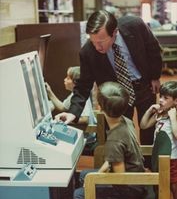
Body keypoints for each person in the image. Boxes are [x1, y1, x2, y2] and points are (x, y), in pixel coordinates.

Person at [55, 10, 162, 145]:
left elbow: (153, 48)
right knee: (121, 134)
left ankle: (148, 163)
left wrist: (155, 76)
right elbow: (83, 86)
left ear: (115, 32)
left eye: (101, 42)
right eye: (93, 41)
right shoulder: (87, 52)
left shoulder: (135, 25)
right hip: (117, 96)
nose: (97, 47)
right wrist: (73, 113)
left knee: (149, 128)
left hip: (144, 85)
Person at [73, 82, 146, 199]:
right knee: (84, 175)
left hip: (129, 188)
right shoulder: (126, 121)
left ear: (100, 107)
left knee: (76, 197)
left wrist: (93, 181)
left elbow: (119, 179)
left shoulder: (114, 140)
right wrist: (95, 175)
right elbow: (113, 160)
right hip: (136, 180)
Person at [140, 81, 177, 199]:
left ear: (175, 101)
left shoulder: (175, 115)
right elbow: (143, 125)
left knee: (175, 190)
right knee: (159, 189)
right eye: (160, 96)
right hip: (158, 159)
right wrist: (150, 111)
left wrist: (173, 117)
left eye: (165, 97)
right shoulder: (160, 113)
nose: (160, 100)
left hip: (173, 160)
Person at [45, 66, 96, 149]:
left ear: (76, 83)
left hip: (88, 141)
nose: (64, 80)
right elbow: (62, 107)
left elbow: (85, 119)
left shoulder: (82, 97)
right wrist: (49, 91)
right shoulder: (74, 95)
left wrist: (64, 121)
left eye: (68, 78)